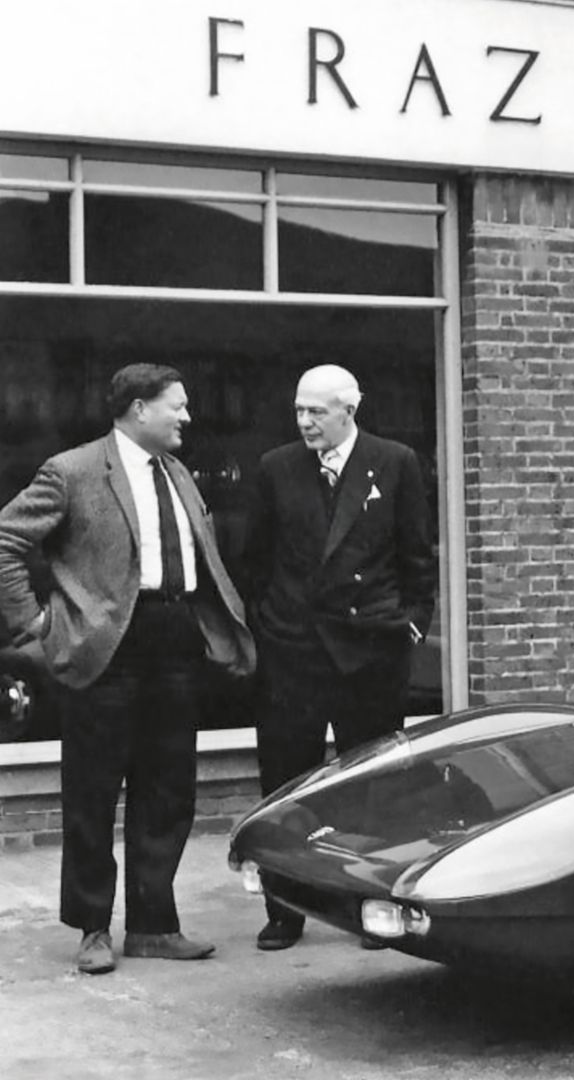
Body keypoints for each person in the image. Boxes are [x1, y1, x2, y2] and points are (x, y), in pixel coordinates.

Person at [0, 363, 255, 975]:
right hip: (103, 649)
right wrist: (34, 626)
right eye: (178, 406)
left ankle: (153, 925)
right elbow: (6, 539)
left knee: (169, 791)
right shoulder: (73, 471)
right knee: (93, 792)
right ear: (140, 409)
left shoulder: (181, 475)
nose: (188, 417)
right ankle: (92, 927)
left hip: (174, 641)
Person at [242, 364, 435, 950]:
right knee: (287, 786)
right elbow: (255, 557)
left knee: (372, 787)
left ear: (350, 410)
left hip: (369, 652)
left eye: (316, 412)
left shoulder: (395, 461)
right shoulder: (277, 468)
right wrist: (271, 628)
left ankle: (371, 906)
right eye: (299, 411)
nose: (305, 423)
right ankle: (285, 911)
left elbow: (416, 556)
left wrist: (410, 627)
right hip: (294, 653)